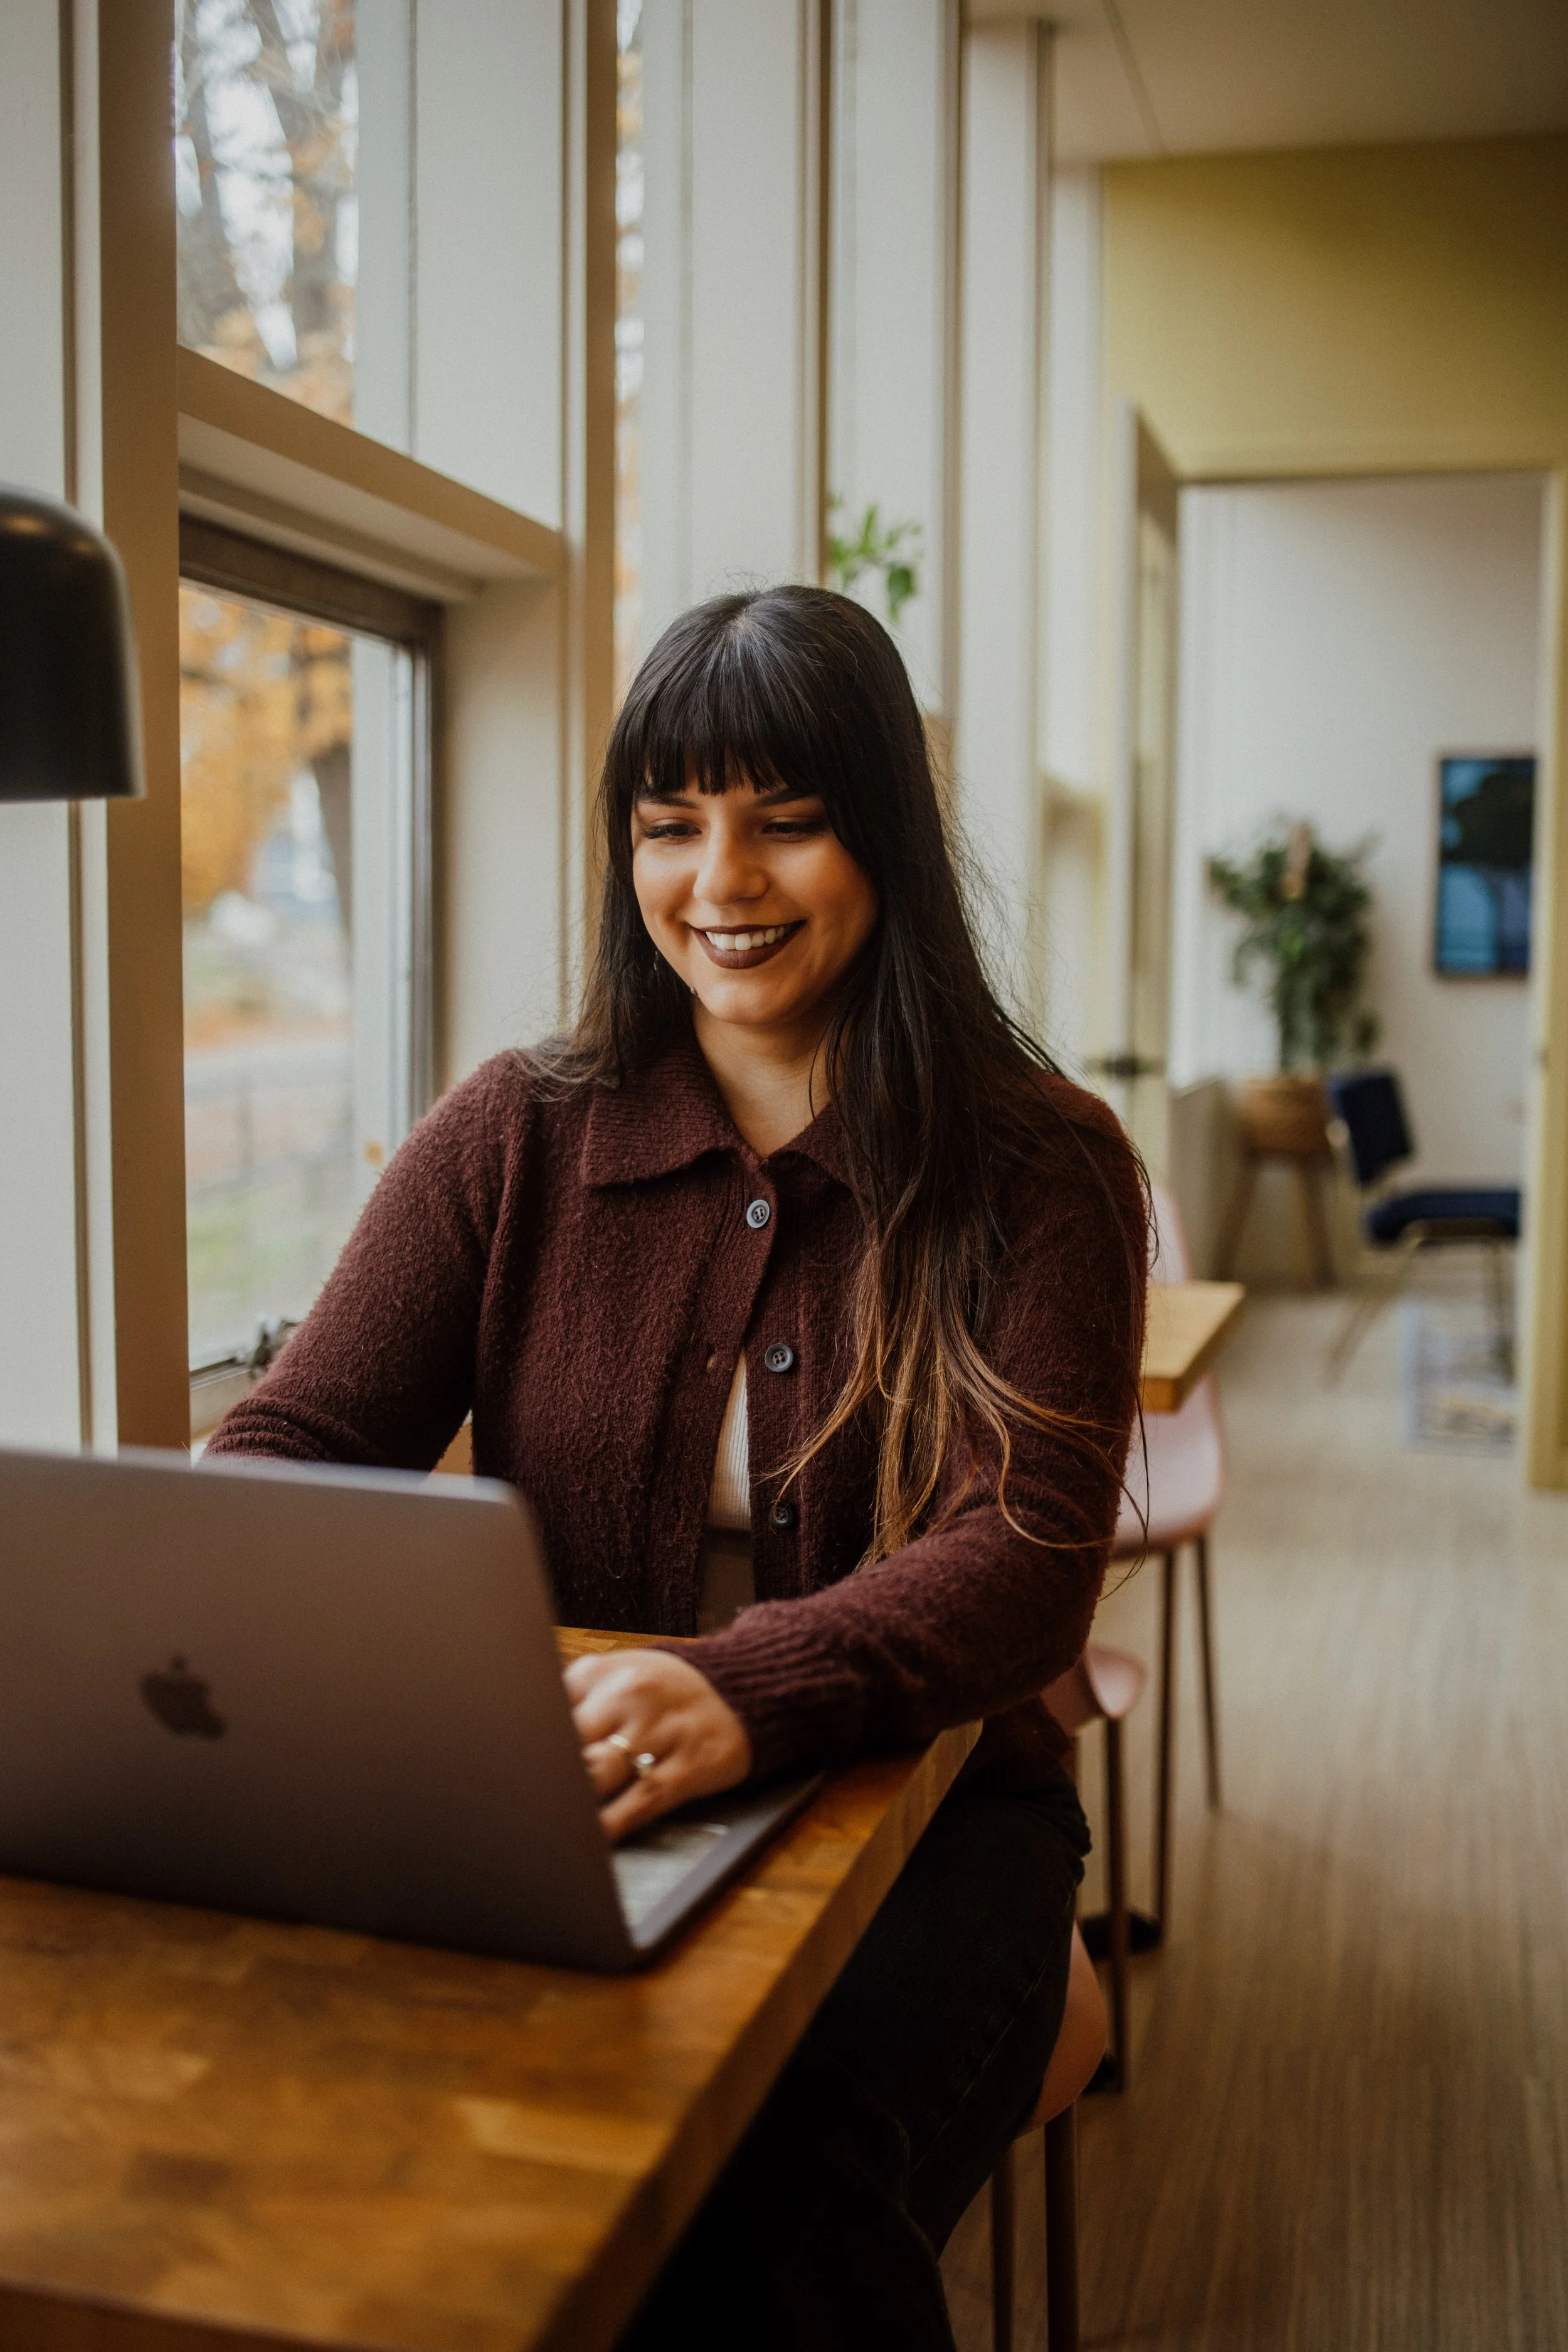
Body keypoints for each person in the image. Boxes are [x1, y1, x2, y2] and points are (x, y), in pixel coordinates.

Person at [209, 585, 1148, 2349]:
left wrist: (747, 1687)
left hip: (937, 1821)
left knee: (771, 2194)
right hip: (576, 1792)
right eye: (669, 825)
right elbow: (294, 1443)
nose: (720, 879)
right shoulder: (515, 1129)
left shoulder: (1040, 1163)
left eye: (785, 820)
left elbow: (1021, 1554)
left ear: (885, 837)